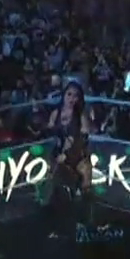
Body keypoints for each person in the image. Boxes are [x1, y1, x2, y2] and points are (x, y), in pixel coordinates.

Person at [46, 81, 96, 238]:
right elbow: (49, 137)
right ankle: (58, 225)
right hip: (59, 157)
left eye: (76, 96)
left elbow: (83, 140)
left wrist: (68, 154)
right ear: (63, 95)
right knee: (56, 188)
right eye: (69, 94)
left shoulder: (81, 116)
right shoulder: (55, 114)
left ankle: (86, 223)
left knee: (86, 178)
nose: (72, 98)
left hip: (77, 156)